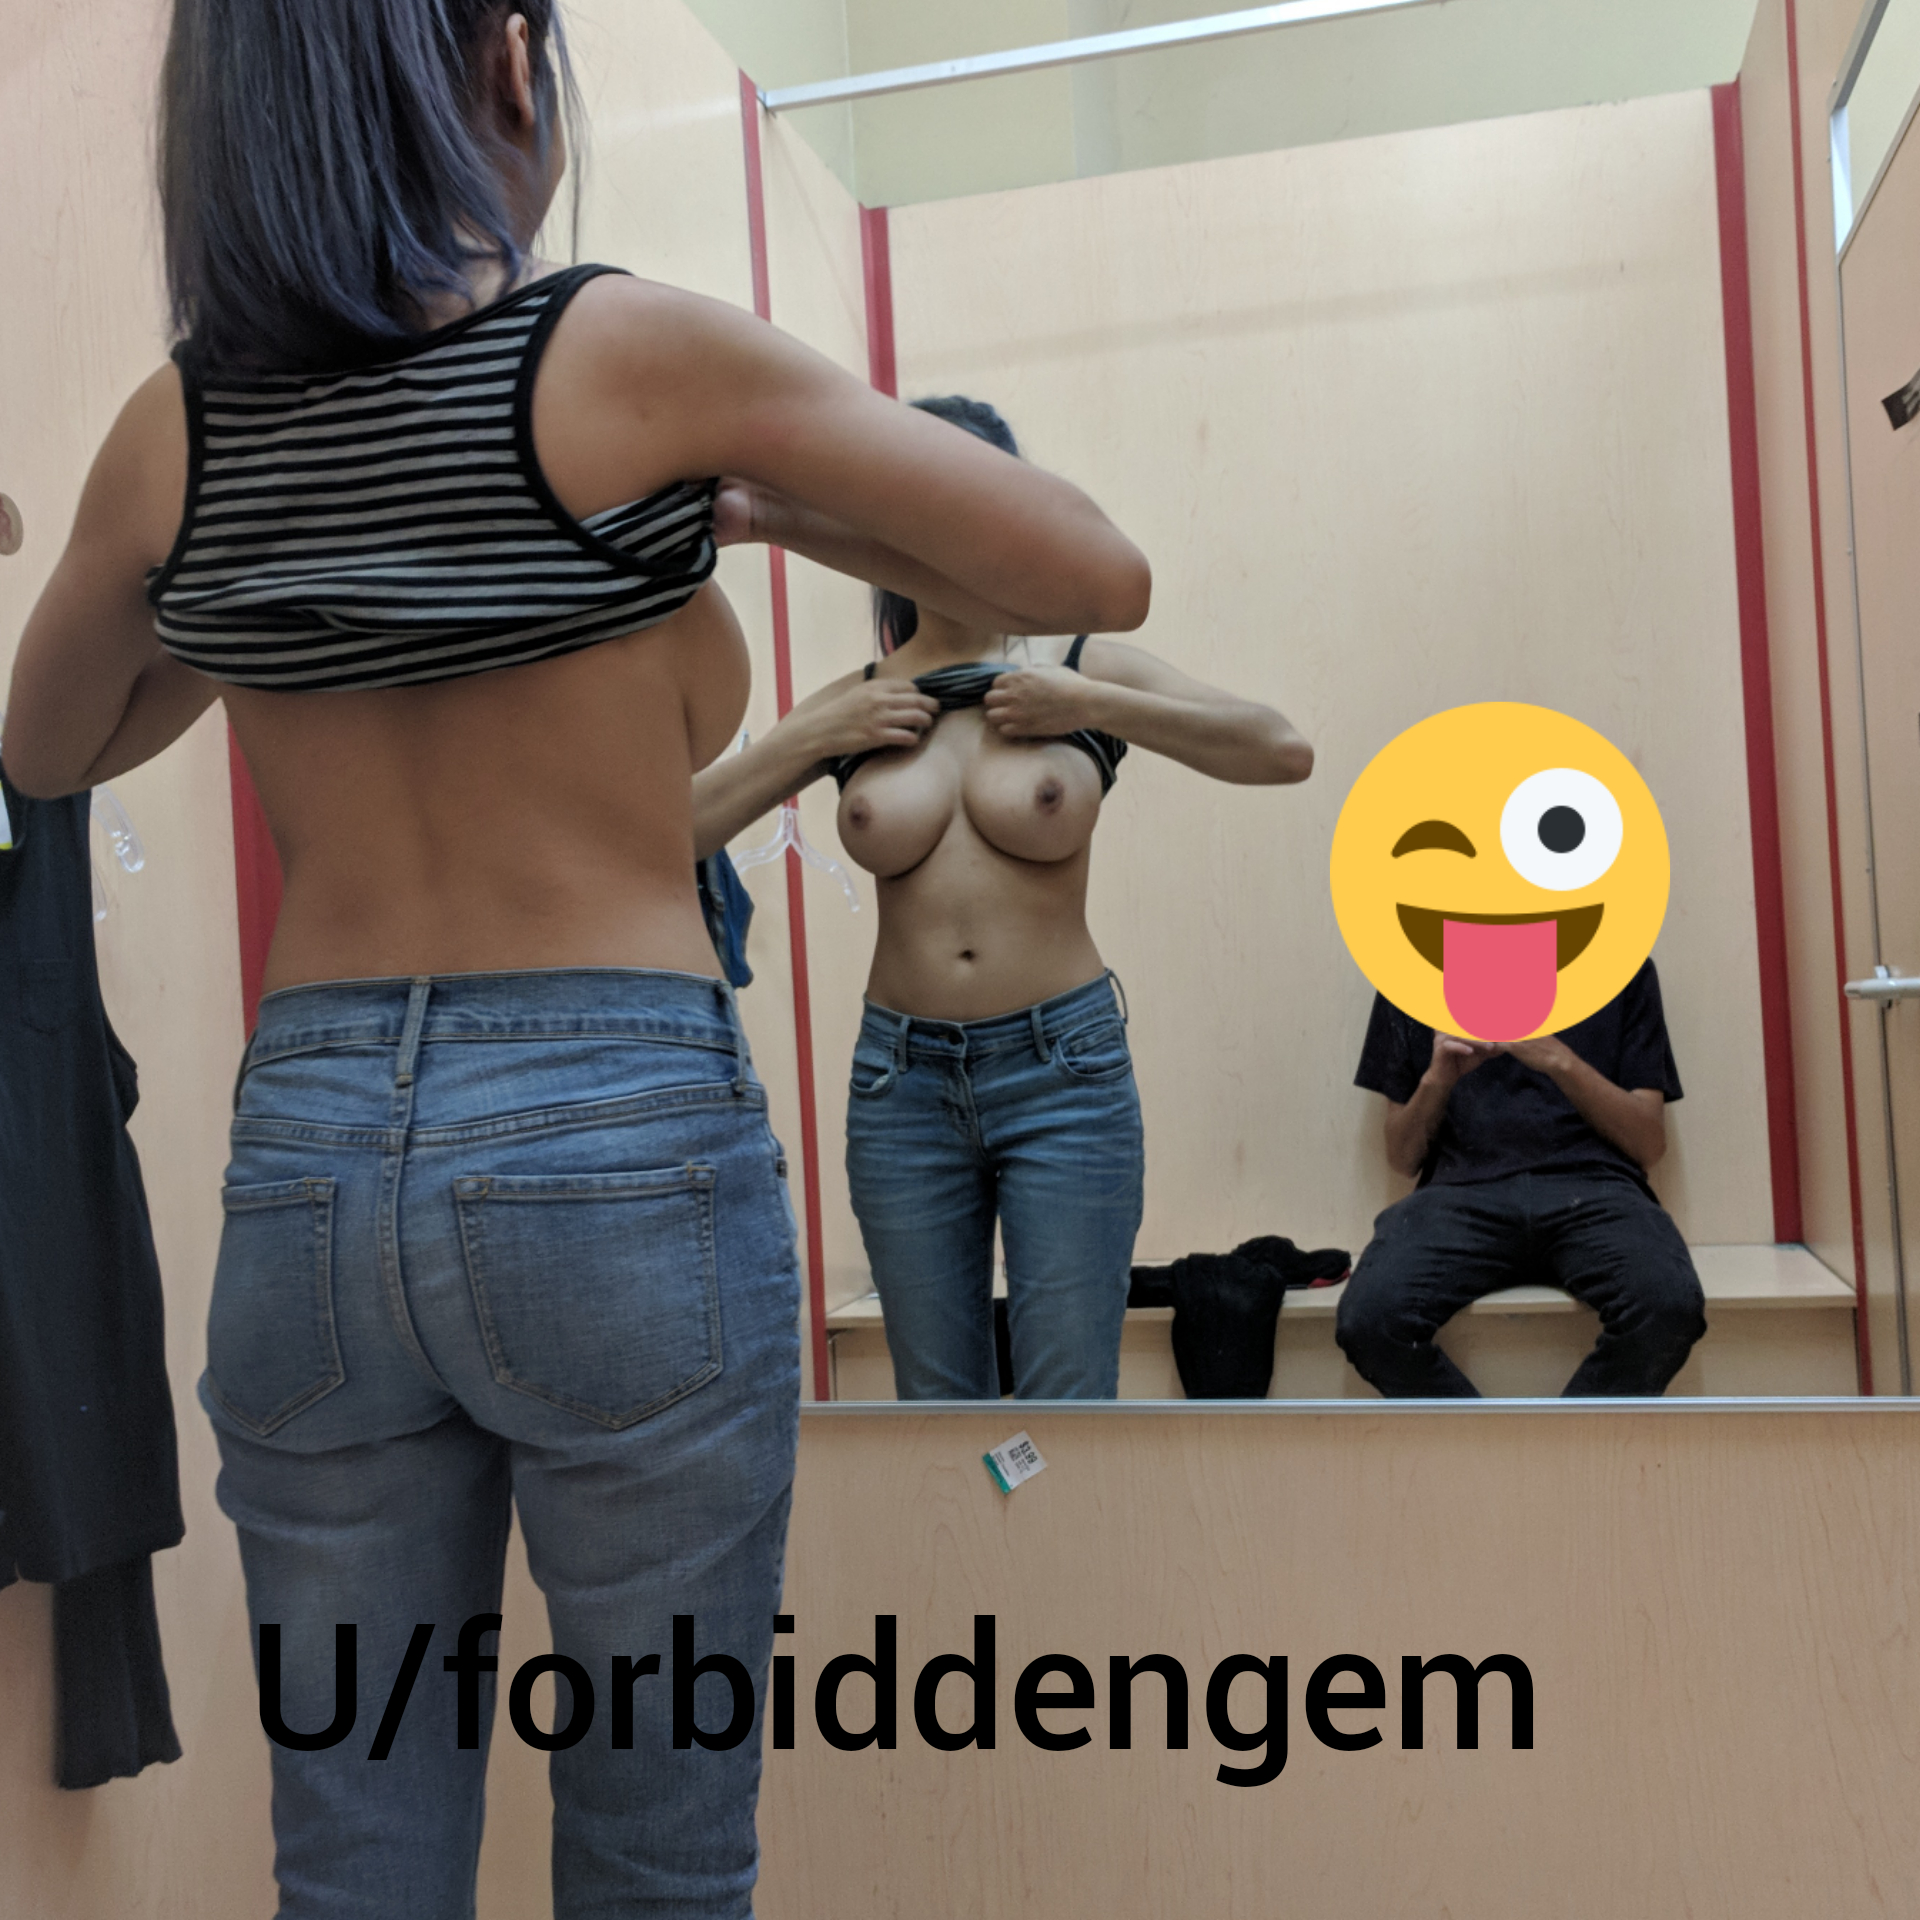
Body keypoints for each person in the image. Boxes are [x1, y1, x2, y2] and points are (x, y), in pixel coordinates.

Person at [1, 7, 1149, 1913]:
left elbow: (47, 746)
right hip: (612, 1132)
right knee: (655, 1855)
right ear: (505, 61)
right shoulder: (622, 352)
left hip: (310, 1161)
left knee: (353, 1866)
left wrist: (274, 566)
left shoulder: (178, 426)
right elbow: (1091, 574)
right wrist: (768, 499)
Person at [694, 396, 1313, 1402]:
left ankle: (1053, 1523)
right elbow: (675, 835)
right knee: (938, 1408)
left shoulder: (1076, 665)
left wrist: (1094, 706)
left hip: (1063, 1072)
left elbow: (1282, 750)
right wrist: (813, 736)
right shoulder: (858, 697)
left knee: (1070, 1402)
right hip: (901, 1086)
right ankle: (977, 1522)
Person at [1336, 960, 1708, 1398]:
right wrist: (1438, 1079)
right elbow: (1402, 1157)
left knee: (1669, 1304)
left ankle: (1557, 1443)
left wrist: (1560, 1061)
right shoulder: (1410, 970)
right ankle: (1496, 1445)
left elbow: (1648, 1144)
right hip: (1458, 1195)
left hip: (1596, 1190)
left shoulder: (1620, 963)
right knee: (1369, 1318)